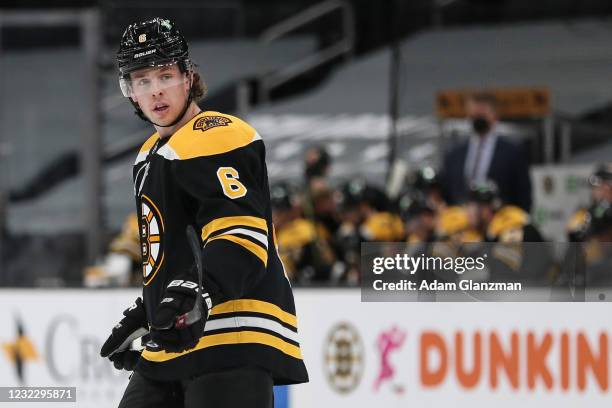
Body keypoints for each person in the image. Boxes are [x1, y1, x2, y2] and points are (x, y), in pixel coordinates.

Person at [99, 18, 308, 408]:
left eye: (165, 75)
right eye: (142, 80)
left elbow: (240, 236)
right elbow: (178, 253)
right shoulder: (149, 155)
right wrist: (149, 311)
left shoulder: (218, 133)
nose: (156, 90)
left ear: (187, 77)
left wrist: (197, 293)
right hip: (175, 343)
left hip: (232, 337)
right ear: (130, 92)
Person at [440, 93, 532, 211]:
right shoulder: (454, 155)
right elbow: (447, 193)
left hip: (500, 222)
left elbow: (523, 194)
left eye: (482, 114)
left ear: (494, 115)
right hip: (462, 223)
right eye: (474, 115)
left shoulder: (513, 153)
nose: (478, 119)